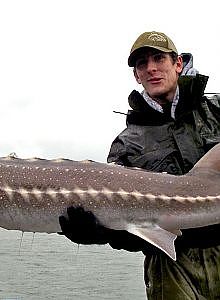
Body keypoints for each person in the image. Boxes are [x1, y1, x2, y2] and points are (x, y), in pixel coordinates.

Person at [59, 31, 220, 299]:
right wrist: (99, 230)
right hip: (171, 265)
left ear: (178, 63)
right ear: (136, 75)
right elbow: (128, 231)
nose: (151, 69)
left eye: (159, 58)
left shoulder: (216, 110)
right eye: (142, 64)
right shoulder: (127, 144)